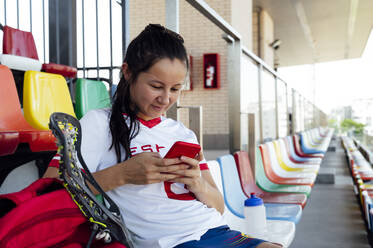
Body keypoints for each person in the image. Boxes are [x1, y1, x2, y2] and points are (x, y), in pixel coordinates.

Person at [44, 24, 282, 248]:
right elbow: (50, 190)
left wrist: (197, 182)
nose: (166, 98)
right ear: (127, 72)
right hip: (170, 242)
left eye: (176, 89)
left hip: (217, 232)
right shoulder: (98, 124)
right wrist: (121, 175)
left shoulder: (183, 134)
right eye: (156, 86)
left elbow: (218, 206)